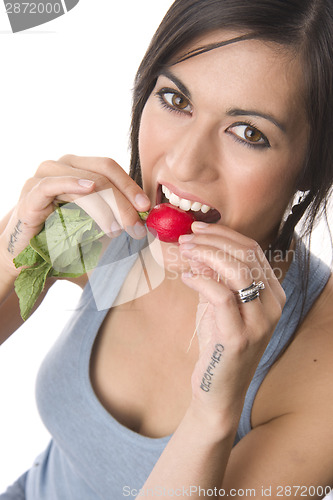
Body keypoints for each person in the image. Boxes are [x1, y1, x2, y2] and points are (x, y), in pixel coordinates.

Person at [1, 0, 333, 498]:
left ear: (311, 167)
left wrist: (213, 411)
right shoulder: (103, 226)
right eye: (176, 100)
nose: (182, 162)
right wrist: (12, 250)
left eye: (249, 133)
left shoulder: (322, 361)